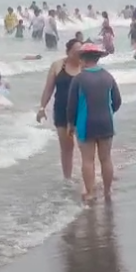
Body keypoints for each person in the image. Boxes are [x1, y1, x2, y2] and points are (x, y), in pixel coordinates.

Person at [67, 43, 121, 201]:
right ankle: (107, 191)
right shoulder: (108, 76)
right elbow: (117, 101)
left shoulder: (79, 79)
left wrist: (71, 124)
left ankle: (90, 192)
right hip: (106, 123)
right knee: (106, 158)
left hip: (86, 124)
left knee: (88, 160)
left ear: (83, 59)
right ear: (97, 59)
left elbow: (72, 105)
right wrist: (109, 112)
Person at [35, 39, 83, 182]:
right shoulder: (57, 66)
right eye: (76, 52)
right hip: (62, 111)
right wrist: (42, 108)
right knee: (66, 147)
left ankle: (87, 176)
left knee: (84, 147)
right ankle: (67, 179)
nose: (79, 55)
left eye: (81, 52)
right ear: (68, 52)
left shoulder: (85, 66)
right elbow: (48, 89)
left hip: (82, 112)